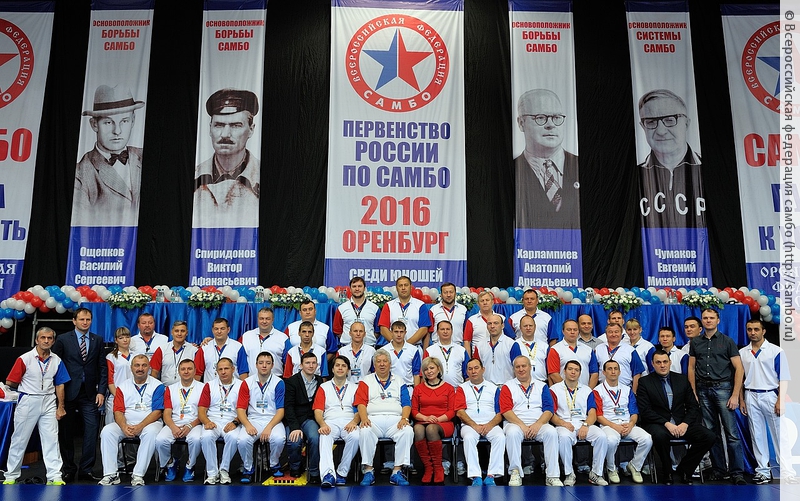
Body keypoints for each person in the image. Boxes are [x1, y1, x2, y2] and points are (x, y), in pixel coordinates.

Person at [636, 350, 715, 485]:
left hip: (681, 422)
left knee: (709, 436)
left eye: (665, 362)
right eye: (658, 362)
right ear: (652, 364)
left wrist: (685, 423)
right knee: (660, 436)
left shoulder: (682, 380)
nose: (662, 365)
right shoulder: (644, 382)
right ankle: (667, 472)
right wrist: (667, 423)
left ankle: (685, 470)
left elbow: (693, 406)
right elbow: (645, 411)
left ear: (670, 362)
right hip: (658, 423)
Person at [3, 327, 69, 485]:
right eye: (43, 338)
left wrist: (61, 406)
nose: (46, 341)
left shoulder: (57, 360)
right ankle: (11, 475)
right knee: (20, 438)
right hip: (29, 399)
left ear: (53, 341)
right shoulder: (25, 358)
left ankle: (55, 476)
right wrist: (26, 388)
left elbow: (60, 384)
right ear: (36, 340)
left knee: (51, 439)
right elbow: (10, 381)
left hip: (49, 400)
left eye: (49, 338)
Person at [72, 84, 145, 227]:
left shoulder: (145, 157)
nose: (117, 131)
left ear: (133, 121)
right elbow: (81, 226)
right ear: (94, 124)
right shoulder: (80, 173)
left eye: (124, 121)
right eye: (108, 122)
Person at [688, 308, 746, 484]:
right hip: (703, 390)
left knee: (731, 434)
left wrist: (735, 395)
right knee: (712, 433)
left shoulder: (727, 341)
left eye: (711, 318)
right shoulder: (695, 342)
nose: (708, 320)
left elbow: (739, 368)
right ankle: (719, 470)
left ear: (718, 320)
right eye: (705, 318)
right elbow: (691, 368)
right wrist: (693, 392)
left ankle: (737, 473)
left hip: (724, 389)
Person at [52, 307, 107, 482]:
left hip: (90, 393)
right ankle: (68, 469)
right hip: (67, 392)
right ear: (74, 321)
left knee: (91, 430)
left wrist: (101, 391)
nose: (85, 322)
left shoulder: (97, 340)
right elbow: (55, 365)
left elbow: (102, 367)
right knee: (66, 432)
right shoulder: (62, 339)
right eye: (82, 319)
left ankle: (86, 469)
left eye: (88, 319)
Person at [193, 88, 260, 228]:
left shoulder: (263, 178)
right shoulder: (193, 178)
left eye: (236, 125)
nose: (225, 134)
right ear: (210, 128)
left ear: (251, 129)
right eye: (219, 125)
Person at [637, 89, 704, 228]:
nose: (661, 131)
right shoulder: (635, 177)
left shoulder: (708, 170)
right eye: (651, 122)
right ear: (643, 127)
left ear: (686, 123)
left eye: (669, 120)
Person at [514, 88, 580, 229]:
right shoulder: (510, 171)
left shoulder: (581, 166)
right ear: (521, 123)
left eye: (556, 117)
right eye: (540, 118)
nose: (550, 125)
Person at [739, 319, 794, 484]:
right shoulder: (742, 352)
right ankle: (762, 471)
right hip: (750, 395)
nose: (752, 332)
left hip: (770, 394)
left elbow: (783, 377)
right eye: (749, 329)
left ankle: (787, 472)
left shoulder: (776, 351)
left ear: (763, 331)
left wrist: (780, 400)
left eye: (756, 329)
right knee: (757, 435)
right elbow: (740, 378)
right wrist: (742, 399)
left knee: (780, 436)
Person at [98, 354, 164, 486]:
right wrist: (123, 426)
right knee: (107, 431)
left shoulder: (158, 386)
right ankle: (111, 474)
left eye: (144, 365)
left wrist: (140, 426)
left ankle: (138, 475)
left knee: (151, 433)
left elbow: (157, 412)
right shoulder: (122, 386)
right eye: (137, 365)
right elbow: (118, 411)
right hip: (127, 424)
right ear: (131, 368)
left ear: (149, 367)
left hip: (150, 424)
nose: (140, 368)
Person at [500, 355, 562, 487]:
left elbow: (549, 409)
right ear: (514, 369)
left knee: (551, 432)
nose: (521, 369)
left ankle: (552, 475)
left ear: (530, 367)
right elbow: (506, 410)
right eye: (517, 367)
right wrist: (522, 426)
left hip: (538, 423)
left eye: (524, 366)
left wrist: (538, 424)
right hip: (515, 423)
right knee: (512, 433)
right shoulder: (507, 386)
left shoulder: (542, 386)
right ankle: (515, 473)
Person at [355, 349, 414, 486]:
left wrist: (404, 418)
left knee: (407, 431)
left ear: (390, 364)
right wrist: (364, 419)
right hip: (373, 419)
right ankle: (368, 470)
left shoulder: (399, 380)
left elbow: (406, 403)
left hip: (395, 420)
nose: (382, 364)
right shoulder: (366, 380)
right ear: (374, 365)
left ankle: (397, 471)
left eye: (385, 361)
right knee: (364, 431)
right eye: (378, 361)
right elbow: (361, 403)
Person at [549, 360, 609, 486]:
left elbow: (592, 413)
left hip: (583, 423)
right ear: (564, 371)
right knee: (564, 437)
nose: (573, 372)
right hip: (564, 423)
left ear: (580, 373)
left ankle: (596, 473)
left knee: (601, 436)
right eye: (570, 369)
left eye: (576, 370)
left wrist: (586, 425)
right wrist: (563, 423)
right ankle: (569, 473)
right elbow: (550, 413)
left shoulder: (587, 390)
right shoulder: (554, 389)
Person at [593, 360, 652, 484]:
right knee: (611, 440)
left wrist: (631, 424)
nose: (613, 371)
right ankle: (611, 468)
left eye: (615, 369)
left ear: (620, 372)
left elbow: (634, 413)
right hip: (608, 425)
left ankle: (635, 466)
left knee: (647, 439)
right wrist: (614, 426)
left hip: (627, 424)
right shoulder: (597, 391)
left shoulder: (627, 390)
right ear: (604, 372)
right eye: (609, 369)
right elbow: (598, 416)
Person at [236, 351, 286, 483]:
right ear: (256, 365)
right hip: (253, 420)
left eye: (268, 363)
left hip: (273, 420)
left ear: (272, 365)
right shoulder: (247, 383)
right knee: (242, 440)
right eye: (261, 363)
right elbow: (240, 409)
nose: (264, 366)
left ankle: (274, 464)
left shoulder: (279, 382)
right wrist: (247, 425)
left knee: (279, 439)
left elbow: (280, 411)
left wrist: (269, 427)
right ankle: (248, 468)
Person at [454, 358, 505, 486]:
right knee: (469, 438)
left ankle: (491, 475)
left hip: (490, 424)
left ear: (483, 369)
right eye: (470, 369)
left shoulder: (494, 388)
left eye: (476, 368)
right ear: (467, 372)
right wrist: (474, 425)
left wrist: (489, 425)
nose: (473, 371)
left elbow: (500, 413)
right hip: (469, 425)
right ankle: (475, 476)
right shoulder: (461, 388)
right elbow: (460, 412)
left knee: (500, 436)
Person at [313, 355, 360, 487]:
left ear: (348, 370)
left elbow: (359, 410)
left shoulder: (355, 387)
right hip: (330, 421)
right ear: (332, 369)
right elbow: (318, 411)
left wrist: (354, 422)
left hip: (349, 420)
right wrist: (322, 424)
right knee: (324, 435)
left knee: (356, 436)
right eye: (337, 365)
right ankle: (328, 475)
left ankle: (341, 472)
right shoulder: (324, 387)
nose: (340, 368)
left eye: (344, 366)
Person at [197, 357, 245, 485]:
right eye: (220, 369)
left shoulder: (241, 385)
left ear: (233, 369)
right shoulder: (209, 385)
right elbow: (201, 410)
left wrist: (235, 422)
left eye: (226, 369)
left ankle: (224, 470)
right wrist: (206, 422)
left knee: (234, 438)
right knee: (206, 437)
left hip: (233, 420)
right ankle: (212, 473)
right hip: (213, 420)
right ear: (216, 371)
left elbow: (245, 410)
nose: (223, 372)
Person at [155, 359, 204, 483]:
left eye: (189, 369)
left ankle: (190, 465)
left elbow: (203, 413)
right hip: (174, 423)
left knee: (196, 439)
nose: (186, 371)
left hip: (194, 423)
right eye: (183, 369)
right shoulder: (170, 389)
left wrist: (189, 426)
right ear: (178, 371)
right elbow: (166, 414)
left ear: (195, 371)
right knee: (160, 440)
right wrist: (173, 427)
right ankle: (170, 463)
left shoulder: (203, 388)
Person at [412, 357, 456, 485]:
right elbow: (414, 410)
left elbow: (452, 411)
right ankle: (428, 467)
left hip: (444, 422)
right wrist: (425, 418)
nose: (429, 371)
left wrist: (437, 419)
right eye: (426, 369)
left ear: (438, 369)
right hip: (424, 420)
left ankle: (438, 467)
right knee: (418, 429)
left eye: (432, 368)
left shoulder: (449, 388)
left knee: (431, 429)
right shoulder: (418, 389)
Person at [283, 351, 324, 483]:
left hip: (309, 418)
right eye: (307, 363)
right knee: (294, 441)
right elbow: (288, 407)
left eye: (313, 363)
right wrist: (294, 427)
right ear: (301, 365)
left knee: (315, 438)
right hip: (293, 418)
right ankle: (295, 466)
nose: (311, 366)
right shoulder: (291, 381)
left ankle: (314, 471)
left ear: (317, 365)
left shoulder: (319, 380)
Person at [378, 275, 431, 346]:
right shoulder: (388, 305)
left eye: (406, 285)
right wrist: (396, 344)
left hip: (415, 347)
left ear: (411, 287)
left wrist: (406, 345)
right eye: (400, 286)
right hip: (393, 348)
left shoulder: (420, 305)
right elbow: (383, 329)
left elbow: (424, 329)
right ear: (396, 288)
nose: (403, 288)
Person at [195, 317, 249, 382]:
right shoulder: (204, 348)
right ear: (212, 330)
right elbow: (197, 373)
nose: (219, 331)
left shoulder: (238, 347)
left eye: (222, 328)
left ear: (228, 330)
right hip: (210, 387)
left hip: (233, 387)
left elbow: (243, 372)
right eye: (216, 329)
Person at [547, 319, 599, 387]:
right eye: (569, 329)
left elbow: (594, 373)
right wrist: (567, 389)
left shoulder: (588, 350)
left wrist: (588, 390)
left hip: (584, 390)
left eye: (575, 330)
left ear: (578, 331)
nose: (572, 332)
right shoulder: (555, 349)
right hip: (563, 391)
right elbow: (553, 374)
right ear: (563, 331)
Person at [595, 323, 645, 392]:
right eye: (610, 332)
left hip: (625, 390)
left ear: (621, 334)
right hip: (602, 391)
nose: (613, 334)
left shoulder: (630, 350)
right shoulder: (598, 349)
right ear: (606, 334)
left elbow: (637, 373)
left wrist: (634, 392)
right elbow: (594, 372)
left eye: (616, 332)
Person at [239, 307, 288, 377]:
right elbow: (240, 362)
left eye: (267, 319)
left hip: (276, 380)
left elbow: (288, 364)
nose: (264, 321)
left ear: (273, 320)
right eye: (261, 318)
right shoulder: (246, 337)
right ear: (257, 319)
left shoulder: (283, 338)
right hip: (251, 380)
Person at [333, 276, 381, 346]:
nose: (357, 289)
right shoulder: (341, 308)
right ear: (350, 289)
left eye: (360, 286)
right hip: (347, 347)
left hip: (368, 347)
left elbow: (378, 331)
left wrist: (366, 342)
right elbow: (337, 330)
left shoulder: (374, 308)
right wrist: (349, 341)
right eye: (354, 286)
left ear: (364, 288)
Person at [464, 291, 514, 355]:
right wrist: (469, 360)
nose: (485, 303)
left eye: (487, 300)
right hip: (479, 357)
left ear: (492, 302)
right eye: (482, 301)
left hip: (500, 355)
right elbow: (467, 342)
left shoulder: (501, 318)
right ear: (478, 304)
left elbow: (511, 338)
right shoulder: (471, 320)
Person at [150, 320, 198, 386]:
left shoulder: (194, 350)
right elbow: (154, 373)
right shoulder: (162, 349)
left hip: (187, 389)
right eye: (176, 331)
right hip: (166, 388)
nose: (179, 334)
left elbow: (197, 374)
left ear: (187, 333)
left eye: (182, 331)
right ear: (171, 332)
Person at [472, 313, 515, 386]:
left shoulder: (511, 344)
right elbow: (476, 368)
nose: (492, 326)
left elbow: (518, 367)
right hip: (486, 387)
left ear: (502, 326)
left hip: (507, 386)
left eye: (496, 323)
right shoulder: (479, 346)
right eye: (489, 323)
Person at [423, 320, 468, 388]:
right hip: (436, 389)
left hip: (457, 389)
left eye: (448, 329)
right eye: (442, 329)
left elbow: (467, 374)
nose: (445, 331)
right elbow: (424, 374)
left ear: (452, 331)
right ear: (437, 332)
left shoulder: (462, 350)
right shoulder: (430, 351)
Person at [105, 326, 133, 424]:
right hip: (116, 396)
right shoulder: (111, 357)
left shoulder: (136, 355)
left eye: (127, 337)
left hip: (133, 396)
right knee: (113, 426)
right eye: (121, 338)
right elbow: (110, 381)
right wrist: (119, 397)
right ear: (116, 340)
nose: (125, 340)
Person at [509, 315, 549, 383]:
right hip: (522, 384)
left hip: (542, 383)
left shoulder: (544, 346)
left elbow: (549, 369)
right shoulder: (514, 345)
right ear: (520, 328)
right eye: (525, 326)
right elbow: (514, 367)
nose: (528, 328)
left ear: (535, 327)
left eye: (530, 325)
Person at [385, 321, 422, 389]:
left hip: (408, 387)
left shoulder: (413, 350)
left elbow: (416, 374)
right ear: (391, 332)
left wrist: (416, 392)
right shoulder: (384, 350)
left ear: (405, 333)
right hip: (390, 388)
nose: (399, 335)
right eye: (396, 332)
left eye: (401, 332)